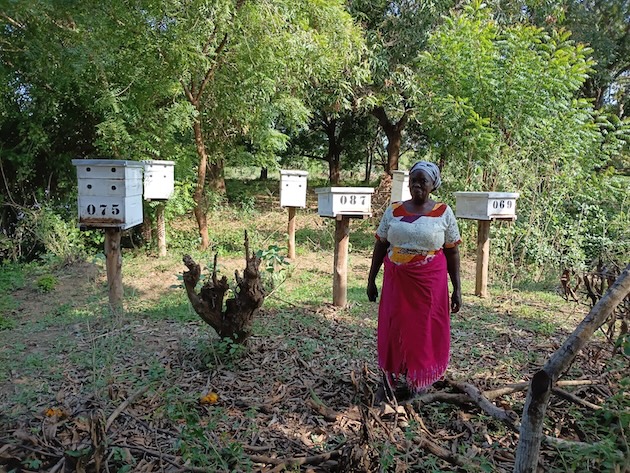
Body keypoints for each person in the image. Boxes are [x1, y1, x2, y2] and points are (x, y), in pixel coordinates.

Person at [367, 161, 461, 402]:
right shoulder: (395, 210)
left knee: (423, 329)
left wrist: (457, 288)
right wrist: (371, 278)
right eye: (414, 180)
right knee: (394, 326)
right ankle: (389, 380)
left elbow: (452, 251)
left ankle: (417, 381)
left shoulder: (443, 212)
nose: (417, 184)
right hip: (397, 281)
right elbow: (381, 244)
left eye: (423, 181)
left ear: (433, 185)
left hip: (430, 283)